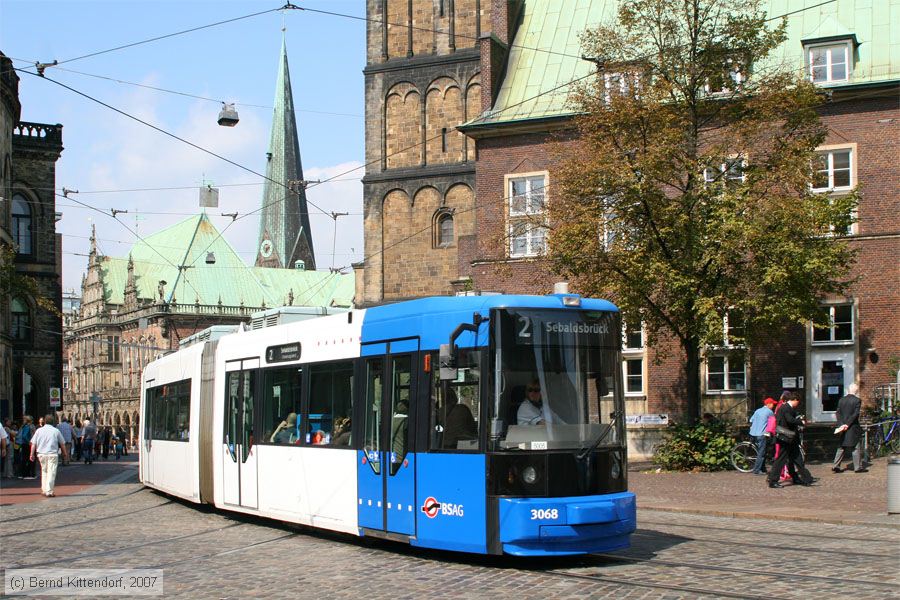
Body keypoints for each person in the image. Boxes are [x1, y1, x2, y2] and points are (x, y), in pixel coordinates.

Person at [767, 392, 815, 488]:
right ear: (795, 400)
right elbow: (789, 420)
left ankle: (801, 478)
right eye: (798, 402)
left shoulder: (786, 408)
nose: (798, 404)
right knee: (781, 460)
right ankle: (773, 480)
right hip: (785, 439)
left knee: (797, 459)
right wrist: (800, 422)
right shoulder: (786, 408)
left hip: (790, 439)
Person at [29, 414, 68, 497]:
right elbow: (62, 443)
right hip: (52, 454)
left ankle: (44, 489)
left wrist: (31, 454)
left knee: (44, 471)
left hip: (41, 454)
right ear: (53, 422)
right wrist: (65, 453)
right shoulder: (56, 431)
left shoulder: (39, 431)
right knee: (51, 472)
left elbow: (33, 443)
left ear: (45, 421)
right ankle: (49, 491)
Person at [833, 383, 866, 473]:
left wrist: (841, 424)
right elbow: (855, 414)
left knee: (841, 446)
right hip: (852, 426)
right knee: (855, 446)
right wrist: (847, 424)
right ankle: (858, 467)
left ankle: (836, 465)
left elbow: (838, 413)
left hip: (842, 426)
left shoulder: (841, 400)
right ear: (856, 391)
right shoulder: (857, 400)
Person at [748, 398, 776, 475]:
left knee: (761, 451)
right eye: (773, 404)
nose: (773, 405)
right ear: (768, 404)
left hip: (753, 433)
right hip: (762, 434)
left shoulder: (757, 410)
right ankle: (757, 470)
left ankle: (762, 468)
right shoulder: (769, 412)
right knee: (762, 452)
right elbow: (773, 422)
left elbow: (751, 420)